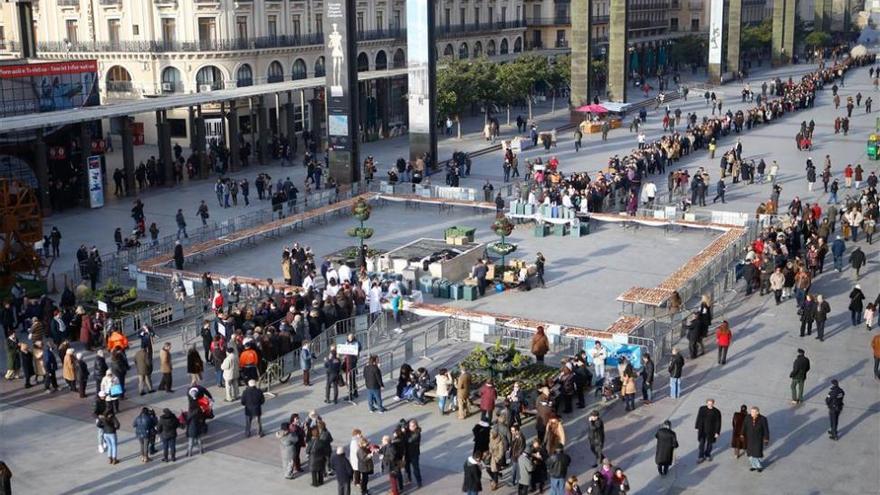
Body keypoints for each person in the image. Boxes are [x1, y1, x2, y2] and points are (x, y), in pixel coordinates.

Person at [742, 406, 770, 472]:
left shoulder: (763, 419)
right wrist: (742, 434)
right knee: (750, 454)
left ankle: (759, 466)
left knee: (757, 453)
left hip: (758, 439)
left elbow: (766, 430)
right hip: (750, 439)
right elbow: (744, 426)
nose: (751, 413)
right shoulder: (747, 417)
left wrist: (766, 439)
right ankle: (754, 466)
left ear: (757, 412)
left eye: (753, 412)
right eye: (751, 411)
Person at [405, 419, 423, 488]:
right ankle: (409, 479)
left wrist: (404, 435)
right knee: (407, 468)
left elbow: (410, 440)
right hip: (407, 453)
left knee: (416, 468)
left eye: (412, 426)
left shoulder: (417, 433)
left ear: (415, 426)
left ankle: (419, 481)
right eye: (409, 426)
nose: (410, 427)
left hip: (414, 454)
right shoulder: (408, 431)